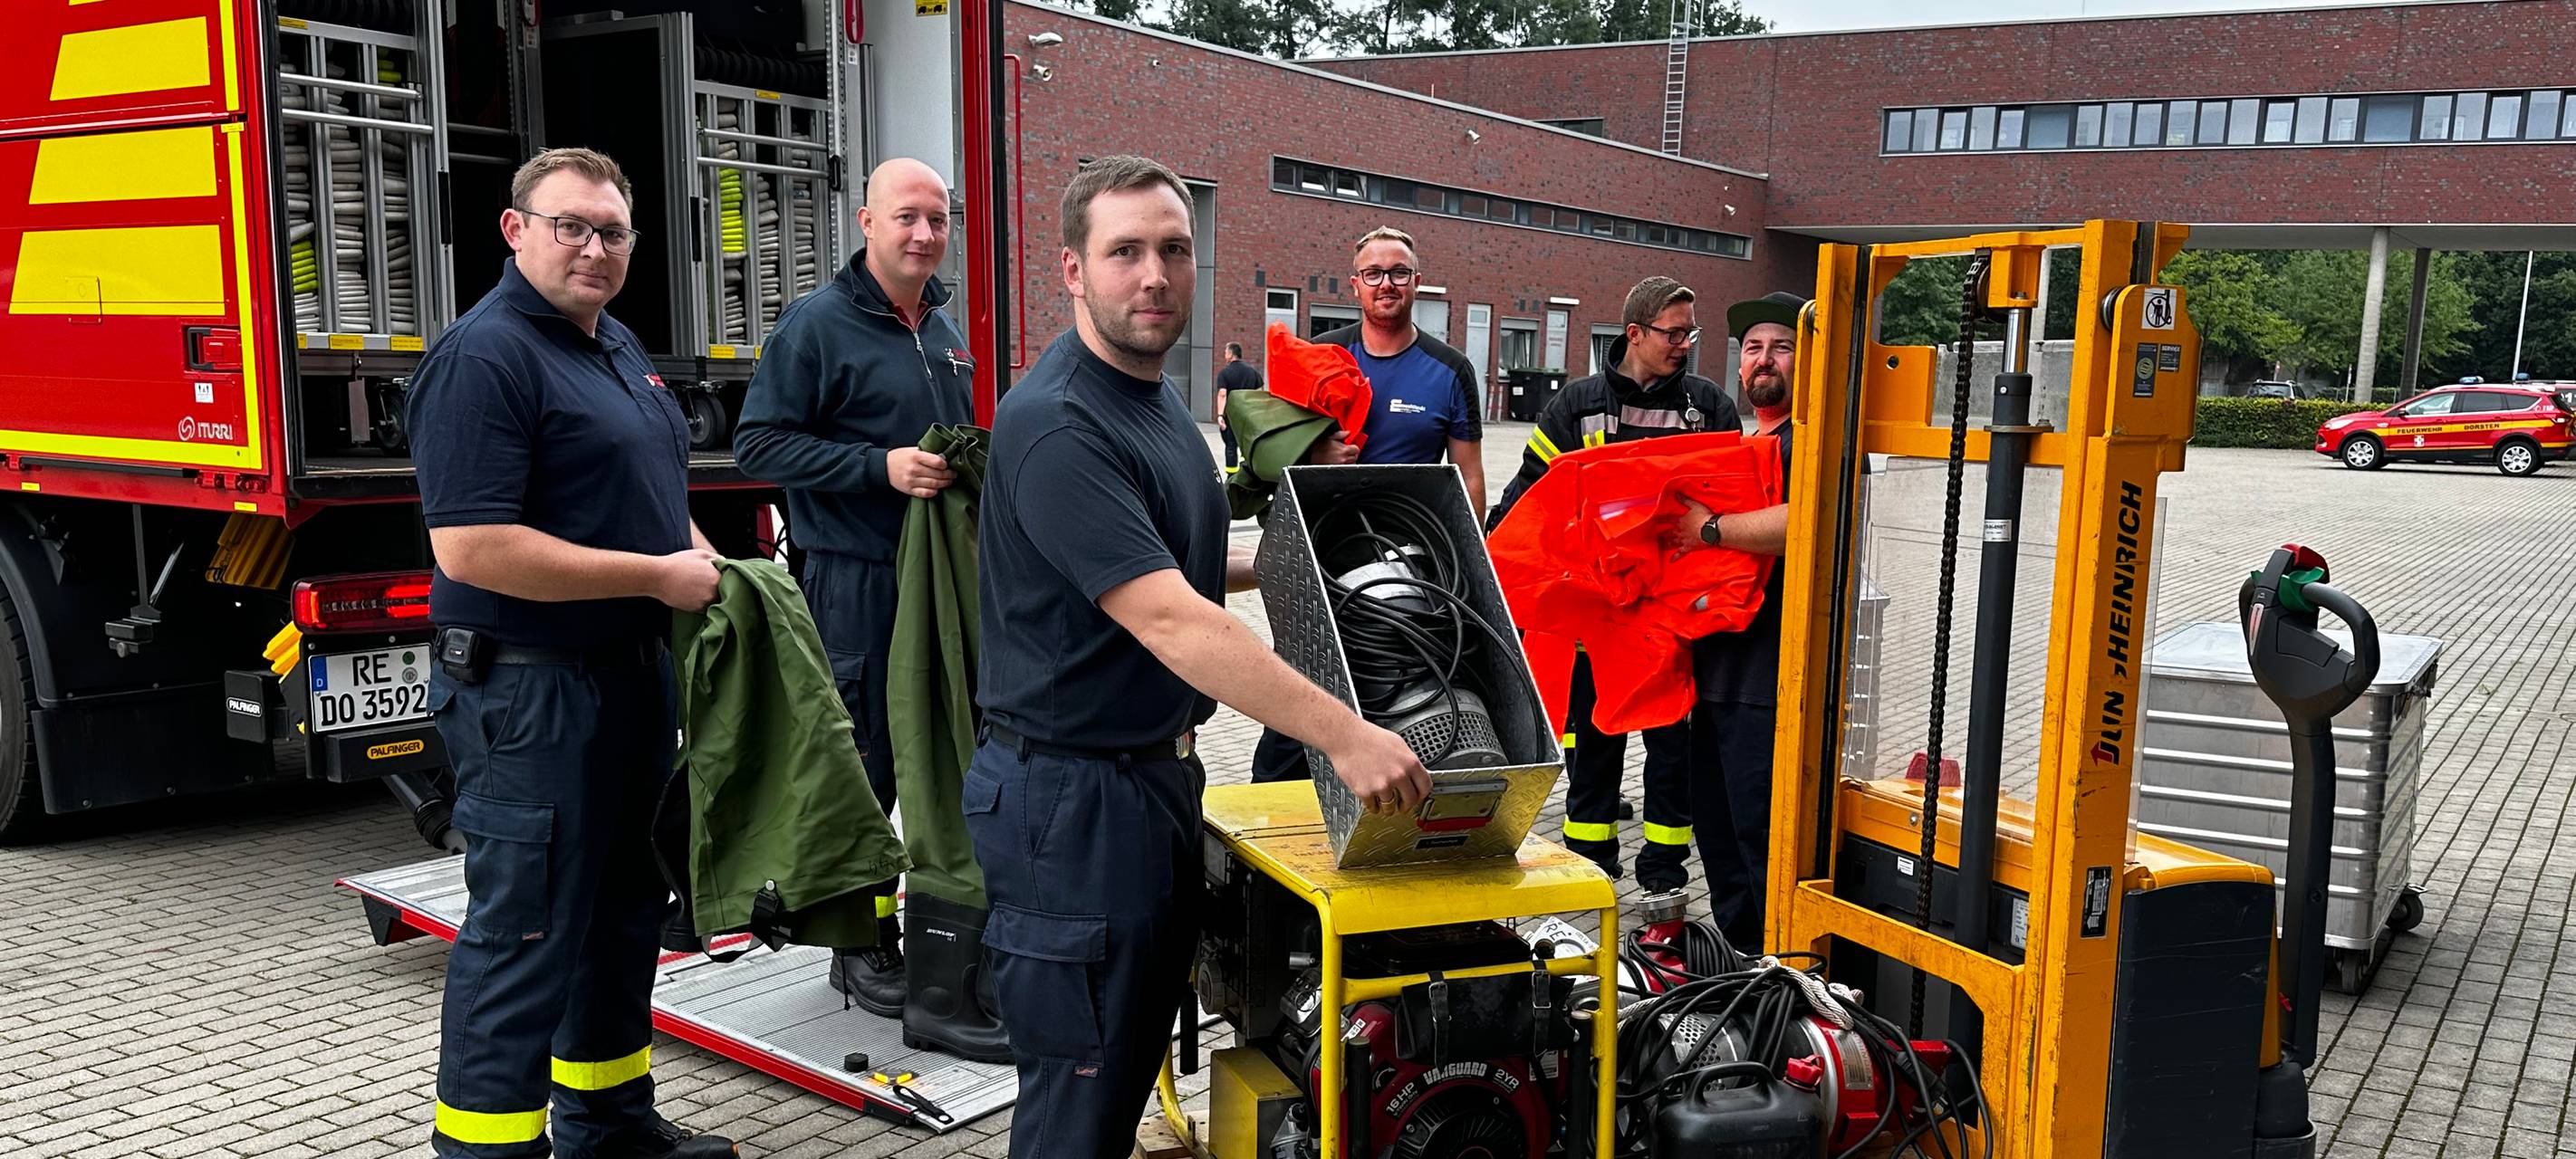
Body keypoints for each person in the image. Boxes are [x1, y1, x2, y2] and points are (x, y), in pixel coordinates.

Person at [965, 155, 1432, 1159]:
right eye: (1124, 251)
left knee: (1123, 1070)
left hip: (1150, 786)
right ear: (1072, 269)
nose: (1154, 275)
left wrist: (1307, 567)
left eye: (1174, 249)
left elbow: (1171, 561)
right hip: (1071, 806)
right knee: (1077, 1106)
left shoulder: (1157, 407)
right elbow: (1172, 618)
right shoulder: (1061, 423)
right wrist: (1345, 733)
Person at [407, 148, 735, 1159]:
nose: (594, 248)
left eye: (613, 232)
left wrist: (695, 551)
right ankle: (488, 1149)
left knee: (621, 915)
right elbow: (473, 548)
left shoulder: (614, 343)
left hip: (627, 681)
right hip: (530, 690)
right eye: (571, 227)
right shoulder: (486, 357)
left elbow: (647, 491)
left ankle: (608, 1125)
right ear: (516, 230)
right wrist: (655, 577)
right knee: (527, 931)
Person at [733, 158, 976, 1029]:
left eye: (938, 219)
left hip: (938, 582)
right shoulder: (818, 325)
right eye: (907, 217)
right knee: (865, 764)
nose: (925, 234)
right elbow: (758, 444)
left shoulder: (943, 328)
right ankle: (858, 943)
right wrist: (878, 468)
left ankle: (947, 923)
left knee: (941, 751)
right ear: (867, 221)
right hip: (854, 581)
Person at [1488, 277, 1739, 896]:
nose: (1684, 345)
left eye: (1690, 333)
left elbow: (1732, 502)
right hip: (1597, 617)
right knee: (1595, 747)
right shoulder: (1577, 407)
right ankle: (1591, 868)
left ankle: (1664, 875)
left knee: (1672, 750)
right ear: (1635, 333)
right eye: (1673, 333)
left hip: (1672, 621)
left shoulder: (1708, 407)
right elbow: (1531, 491)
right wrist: (1489, 553)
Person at [1249, 225, 1486, 782]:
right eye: (1374, 273)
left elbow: (1469, 480)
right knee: (1298, 706)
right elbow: (1265, 455)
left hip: (1412, 572)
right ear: (1355, 284)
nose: (1387, 284)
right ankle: (1271, 807)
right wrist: (1314, 454)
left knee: (1403, 697)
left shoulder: (1450, 369)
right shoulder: (1320, 357)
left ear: (1417, 282)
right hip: (1325, 564)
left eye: (1399, 273)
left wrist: (1466, 570)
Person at [1668, 291, 1802, 951]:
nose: (1764, 359)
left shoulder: (1815, 442)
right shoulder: (1745, 446)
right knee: (1718, 837)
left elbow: (1805, 521)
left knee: (1759, 836)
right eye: (1753, 349)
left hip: (1769, 679)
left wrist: (1711, 529)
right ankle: (1746, 965)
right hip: (1717, 674)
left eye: (1781, 347)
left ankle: (1786, 970)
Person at [1216, 340, 1257, 471]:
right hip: (1248, 416)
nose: (1224, 355)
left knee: (1231, 446)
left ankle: (1231, 474)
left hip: (1231, 417)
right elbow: (1259, 392)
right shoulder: (1252, 372)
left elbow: (1223, 394)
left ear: (1231, 354)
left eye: (1225, 352)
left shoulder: (1224, 373)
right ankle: (1246, 473)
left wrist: (1220, 415)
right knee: (1246, 446)